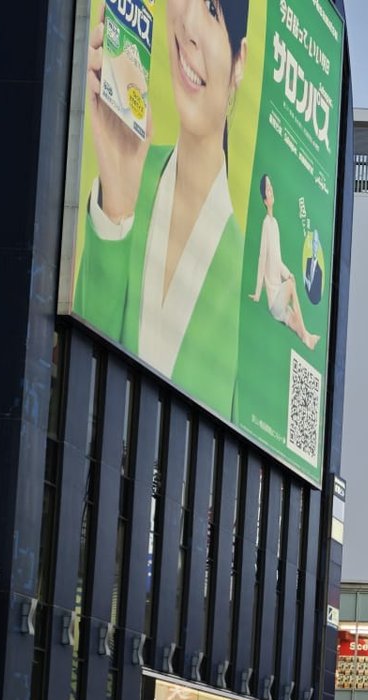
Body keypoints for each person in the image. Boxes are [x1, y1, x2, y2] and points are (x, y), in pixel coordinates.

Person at [74, 0, 251, 410]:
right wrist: (116, 207)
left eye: (212, 10)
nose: (187, 24)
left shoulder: (248, 277)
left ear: (239, 61)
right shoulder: (127, 170)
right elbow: (76, 377)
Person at [248, 174, 320, 347]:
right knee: (291, 285)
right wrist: (258, 293)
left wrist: (288, 273)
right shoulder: (266, 224)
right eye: (267, 189)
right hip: (274, 301)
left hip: (279, 300)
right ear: (265, 200)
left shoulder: (275, 224)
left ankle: (307, 338)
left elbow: (277, 260)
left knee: (293, 318)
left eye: (271, 186)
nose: (271, 190)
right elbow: (262, 258)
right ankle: (306, 334)